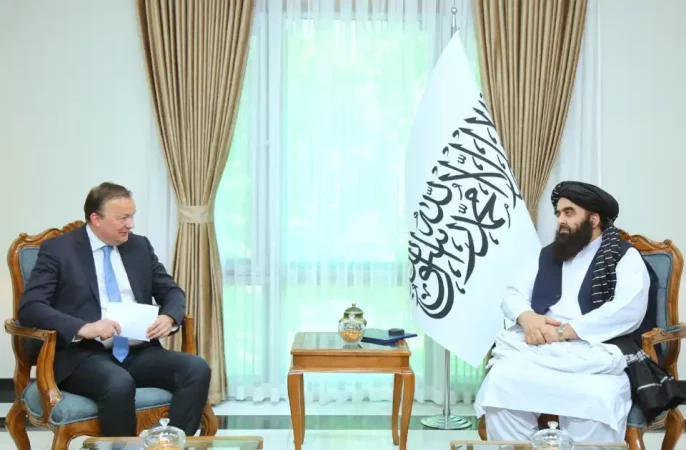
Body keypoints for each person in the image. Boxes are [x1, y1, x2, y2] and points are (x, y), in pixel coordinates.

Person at [474, 180, 685, 443]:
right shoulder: (548, 255)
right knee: (501, 382)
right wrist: (527, 318)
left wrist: (565, 332)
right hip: (540, 347)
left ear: (594, 219)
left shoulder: (624, 257)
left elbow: (627, 310)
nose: (560, 220)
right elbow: (512, 293)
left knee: (596, 396)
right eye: (558, 213)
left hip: (595, 349)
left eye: (569, 212)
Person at [18, 182, 211, 437]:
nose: (131, 225)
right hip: (84, 356)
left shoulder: (139, 246)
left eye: (132, 216)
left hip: (139, 351)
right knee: (118, 382)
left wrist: (169, 316)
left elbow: (172, 291)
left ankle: (171, 443)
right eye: (123, 218)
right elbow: (30, 307)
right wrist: (83, 327)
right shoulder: (59, 250)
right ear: (96, 219)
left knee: (196, 369)